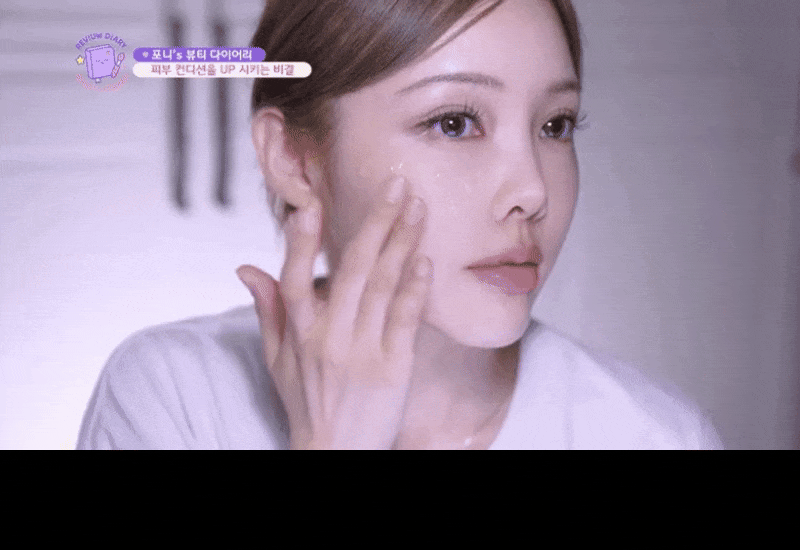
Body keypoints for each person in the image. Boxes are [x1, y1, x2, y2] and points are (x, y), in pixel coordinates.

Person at [77, 0, 724, 450]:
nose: (532, 191)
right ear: (295, 160)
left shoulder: (655, 435)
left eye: (555, 125)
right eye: (454, 123)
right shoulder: (176, 400)